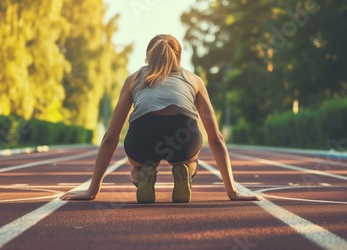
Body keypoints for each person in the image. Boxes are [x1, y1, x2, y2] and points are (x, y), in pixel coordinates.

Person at [61, 34, 259, 203]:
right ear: (179, 58)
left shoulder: (134, 79)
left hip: (143, 137)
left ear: (148, 58)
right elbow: (216, 138)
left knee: (138, 168)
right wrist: (233, 192)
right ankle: (186, 171)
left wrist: (92, 190)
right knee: (191, 163)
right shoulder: (194, 80)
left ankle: (141, 175)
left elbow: (110, 138)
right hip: (183, 136)